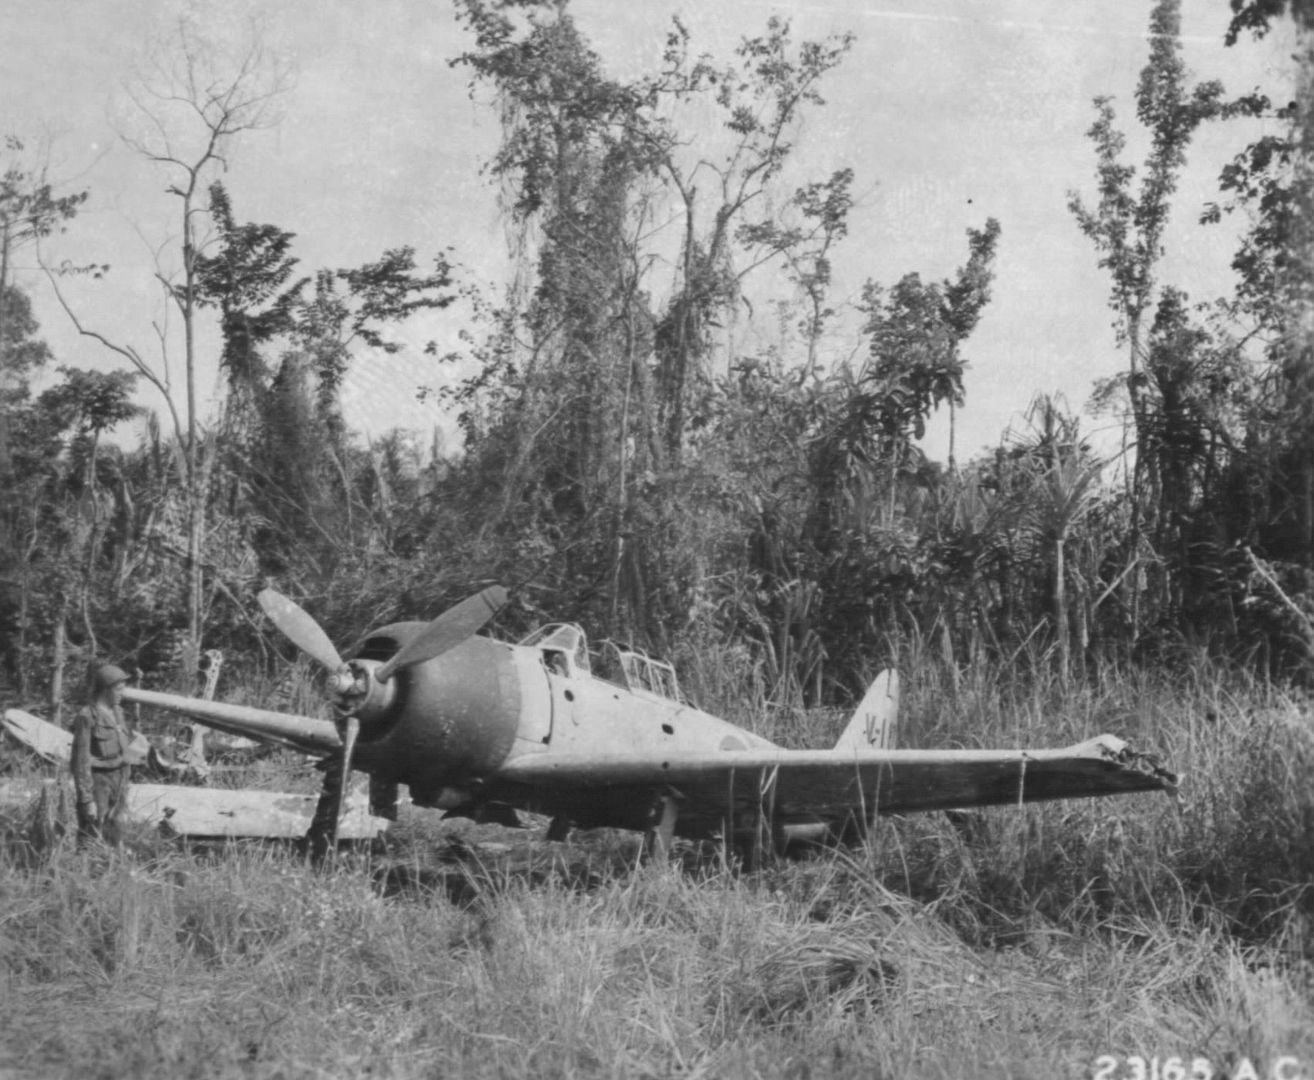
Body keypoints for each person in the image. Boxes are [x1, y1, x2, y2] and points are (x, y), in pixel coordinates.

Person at [71, 663, 140, 846]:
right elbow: (80, 761)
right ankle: (84, 869)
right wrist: (86, 799)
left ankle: (111, 867)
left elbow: (124, 748)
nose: (121, 693)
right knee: (92, 829)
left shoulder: (118, 712)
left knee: (116, 828)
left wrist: (126, 778)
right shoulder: (87, 716)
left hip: (119, 777)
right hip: (98, 780)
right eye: (118, 689)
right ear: (105, 690)